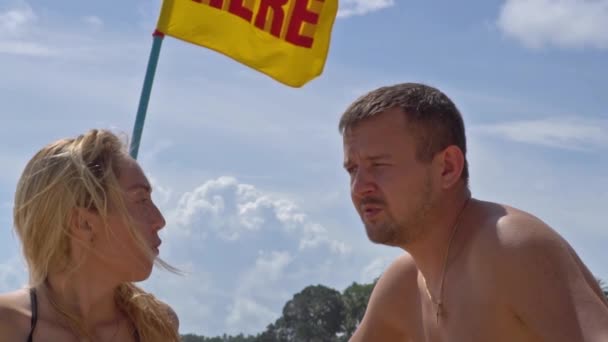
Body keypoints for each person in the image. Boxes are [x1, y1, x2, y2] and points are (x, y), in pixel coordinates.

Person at [340, 83, 608, 341]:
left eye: (378, 164)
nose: (359, 186)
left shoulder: (507, 247)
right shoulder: (404, 285)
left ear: (447, 167)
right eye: (352, 170)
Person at [0, 129, 180, 341]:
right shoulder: (8, 324)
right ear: (83, 223)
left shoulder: (158, 326)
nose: (159, 220)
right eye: (141, 200)